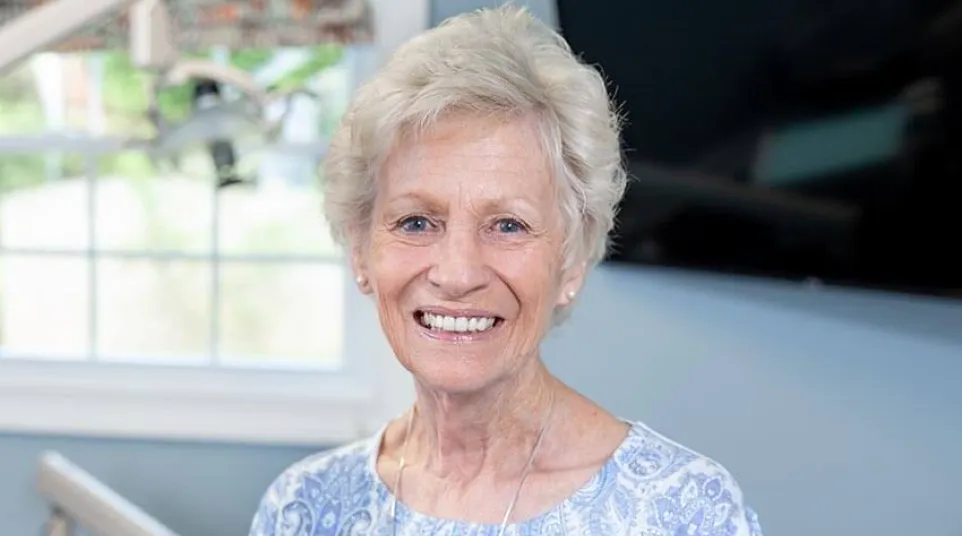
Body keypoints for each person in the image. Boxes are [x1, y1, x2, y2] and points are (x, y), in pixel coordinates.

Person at [249, 5, 764, 535]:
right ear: (361, 252)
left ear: (571, 261)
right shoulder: (302, 507)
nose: (457, 272)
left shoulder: (681, 511)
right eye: (417, 221)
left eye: (508, 226)